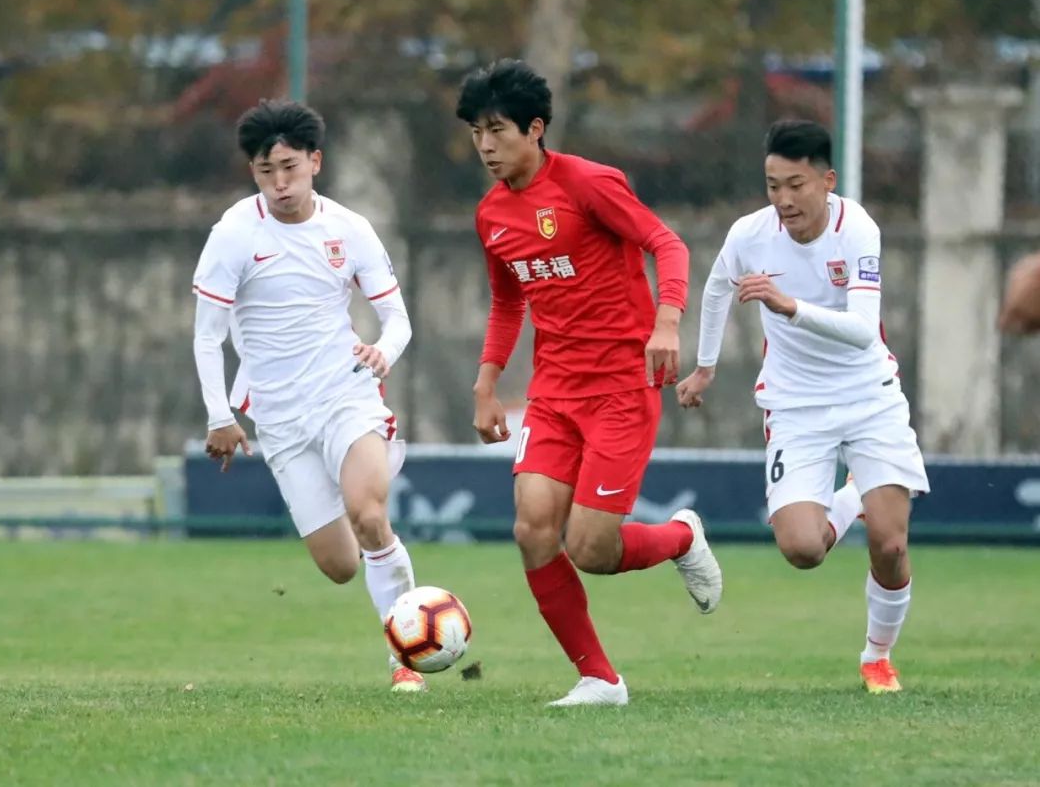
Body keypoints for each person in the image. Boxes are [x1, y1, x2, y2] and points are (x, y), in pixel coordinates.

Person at [455, 59, 723, 707]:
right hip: (553, 394)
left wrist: (666, 320)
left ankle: (682, 537)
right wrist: (487, 385)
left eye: (497, 130)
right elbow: (509, 304)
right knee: (532, 529)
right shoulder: (492, 215)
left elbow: (668, 244)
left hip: (621, 392)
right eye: (476, 133)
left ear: (536, 128)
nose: (486, 146)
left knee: (592, 548)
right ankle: (600, 679)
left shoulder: (588, 184)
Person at [677, 120, 929, 694]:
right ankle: (854, 499)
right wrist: (706, 365)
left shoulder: (857, 228)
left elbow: (865, 332)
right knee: (802, 549)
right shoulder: (750, 234)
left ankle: (876, 656)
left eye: (796, 184)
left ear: (827, 180)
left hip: (868, 397)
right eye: (772, 186)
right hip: (795, 404)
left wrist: (788, 306)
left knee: (890, 545)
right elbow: (717, 287)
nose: (783, 200)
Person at [190, 100, 423, 693]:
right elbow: (207, 335)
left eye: (290, 167)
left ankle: (406, 654)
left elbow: (396, 318)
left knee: (370, 515)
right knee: (341, 565)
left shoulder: (350, 229)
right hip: (279, 417)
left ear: (315, 161)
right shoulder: (234, 233)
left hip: (346, 393)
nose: (279, 182)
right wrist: (221, 416)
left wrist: (383, 353)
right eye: (266, 171)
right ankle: (388, 571)